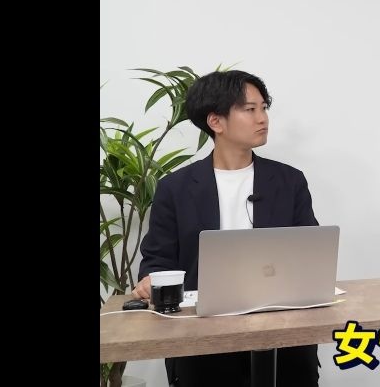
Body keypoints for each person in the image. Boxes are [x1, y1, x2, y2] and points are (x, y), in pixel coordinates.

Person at [134, 70, 320, 387]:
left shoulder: (289, 181)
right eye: (250, 109)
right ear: (216, 122)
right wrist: (151, 280)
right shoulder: (175, 188)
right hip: (203, 340)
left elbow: (312, 253)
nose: (262, 118)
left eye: (264, 108)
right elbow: (157, 259)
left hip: (283, 334)